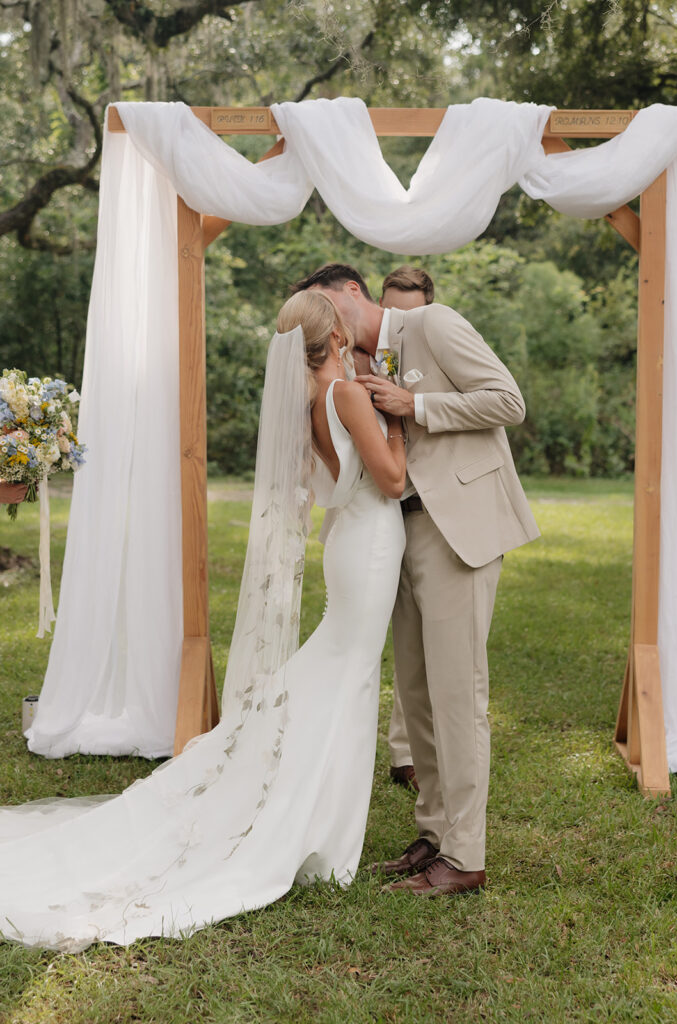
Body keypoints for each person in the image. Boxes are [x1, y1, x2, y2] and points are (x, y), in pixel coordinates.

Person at [0, 290, 407, 950]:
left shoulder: (310, 398)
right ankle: (316, 835)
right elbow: (390, 479)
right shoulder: (352, 395)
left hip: (350, 539)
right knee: (349, 674)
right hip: (369, 539)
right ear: (335, 336)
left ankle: (317, 820)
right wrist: (397, 417)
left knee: (343, 671)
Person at [293, 263, 539, 897]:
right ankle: (433, 832)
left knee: (459, 696)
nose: (325, 323)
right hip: (396, 537)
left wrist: (414, 404)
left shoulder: (433, 324)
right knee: (418, 694)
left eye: (325, 304)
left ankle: (465, 854)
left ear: (351, 291)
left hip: (456, 530)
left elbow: (507, 401)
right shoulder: (350, 367)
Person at [378, 266, 436, 793]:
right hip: (378, 508)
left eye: (412, 313)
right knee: (395, 632)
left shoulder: (442, 348)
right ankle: (398, 749)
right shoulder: (371, 355)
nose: (403, 322)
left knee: (420, 637)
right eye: (394, 310)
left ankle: (407, 751)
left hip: (429, 510)